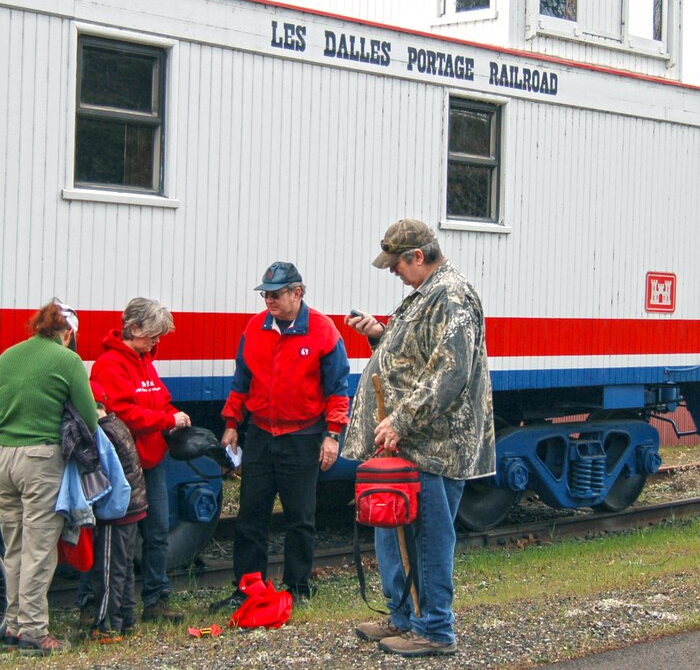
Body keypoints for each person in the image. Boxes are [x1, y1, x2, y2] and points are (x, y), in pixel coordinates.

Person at [343, 219, 496, 658]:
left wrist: (401, 420)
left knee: (427, 536)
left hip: (435, 445)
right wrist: (379, 335)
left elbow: (450, 370)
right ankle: (404, 616)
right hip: (410, 443)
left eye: (396, 264)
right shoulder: (425, 295)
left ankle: (434, 628)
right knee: (395, 532)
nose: (393, 272)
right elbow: (415, 354)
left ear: (418, 256)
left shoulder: (451, 294)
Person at [210, 262, 351, 610]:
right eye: (265, 295)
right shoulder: (254, 328)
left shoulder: (323, 330)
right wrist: (231, 422)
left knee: (300, 517)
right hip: (260, 433)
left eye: (275, 294)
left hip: (303, 436)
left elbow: (338, 389)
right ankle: (248, 588)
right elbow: (242, 381)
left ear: (297, 293)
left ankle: (298, 587)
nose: (268, 301)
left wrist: (333, 434)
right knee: (250, 516)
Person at [0, 299, 98, 655]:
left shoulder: (8, 355)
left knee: (13, 546)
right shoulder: (67, 359)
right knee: (39, 548)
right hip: (40, 460)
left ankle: (12, 626)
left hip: (4, 457)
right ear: (67, 332)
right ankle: (35, 633)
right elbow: (88, 418)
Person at [90, 297, 190, 624]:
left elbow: (159, 399)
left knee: (157, 532)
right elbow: (122, 415)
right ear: (134, 329)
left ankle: (155, 600)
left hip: (150, 459)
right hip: (125, 465)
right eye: (153, 335)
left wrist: (172, 414)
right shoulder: (110, 365)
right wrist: (167, 421)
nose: (157, 341)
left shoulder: (144, 361)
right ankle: (100, 605)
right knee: (117, 538)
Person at [80, 382, 148, 642]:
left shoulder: (102, 433)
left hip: (116, 512)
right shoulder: (117, 425)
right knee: (125, 567)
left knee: (108, 569)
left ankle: (106, 624)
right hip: (134, 507)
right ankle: (128, 620)